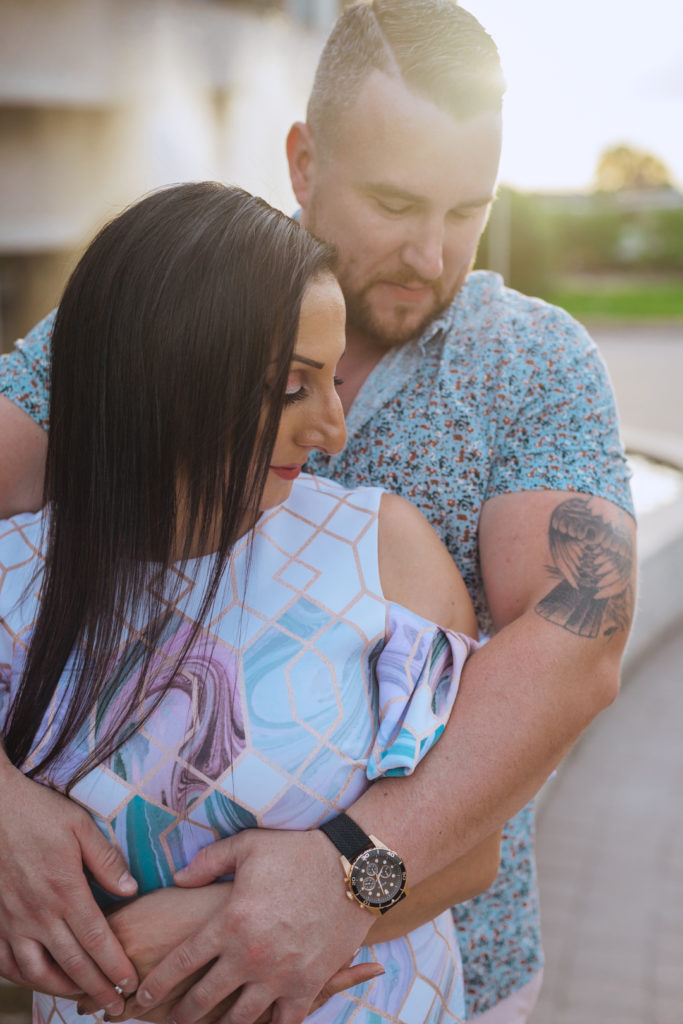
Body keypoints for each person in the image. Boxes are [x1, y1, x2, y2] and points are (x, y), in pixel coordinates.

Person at [0, 1, 636, 1022]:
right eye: (394, 201)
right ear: (302, 162)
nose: (432, 255)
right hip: (120, 978)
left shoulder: (532, 363)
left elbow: (574, 647)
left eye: (465, 210)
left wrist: (349, 875)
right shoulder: (154, 311)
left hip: (431, 974)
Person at [0, 180, 502, 1024]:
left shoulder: (384, 555)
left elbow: (470, 850)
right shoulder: (18, 581)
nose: (334, 431)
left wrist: (302, 899)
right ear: (163, 375)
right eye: (289, 388)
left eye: (332, 380)